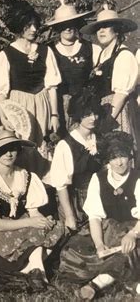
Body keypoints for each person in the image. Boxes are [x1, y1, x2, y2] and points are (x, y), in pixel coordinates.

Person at [0, 130, 65, 283]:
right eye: (3, 150)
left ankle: (34, 267)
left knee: (54, 228)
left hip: (22, 222)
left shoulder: (25, 176)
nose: (9, 154)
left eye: (13, 149)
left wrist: (42, 220)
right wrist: (32, 222)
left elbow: (33, 213)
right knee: (33, 232)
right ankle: (32, 268)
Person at [59, 132, 140, 300]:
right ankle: (124, 280)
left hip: (134, 229)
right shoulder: (98, 178)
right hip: (108, 229)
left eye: (123, 156)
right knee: (75, 250)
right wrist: (99, 244)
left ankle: (96, 284)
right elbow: (94, 216)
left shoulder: (137, 178)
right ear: (107, 160)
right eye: (114, 157)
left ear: (130, 156)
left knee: (130, 251)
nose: (119, 162)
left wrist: (132, 234)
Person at [0, 1, 61, 178]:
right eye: (28, 25)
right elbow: (0, 92)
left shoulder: (46, 51)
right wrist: (4, 115)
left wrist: (54, 115)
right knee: (21, 145)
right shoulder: (6, 54)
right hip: (19, 105)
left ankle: (43, 187)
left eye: (35, 25)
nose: (33, 29)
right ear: (19, 26)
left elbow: (51, 86)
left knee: (42, 146)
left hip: (42, 103)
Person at [80, 4, 139, 164]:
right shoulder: (102, 54)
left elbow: (121, 94)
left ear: (117, 30)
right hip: (103, 109)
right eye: (99, 28)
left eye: (106, 27)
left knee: (118, 152)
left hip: (117, 112)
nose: (101, 31)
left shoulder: (124, 55)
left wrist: (108, 120)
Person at [45, 0, 100, 135]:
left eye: (71, 24)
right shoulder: (48, 50)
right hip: (58, 107)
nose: (68, 28)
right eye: (63, 25)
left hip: (83, 107)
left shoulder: (91, 48)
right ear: (57, 27)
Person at [50, 90, 103, 230]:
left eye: (95, 113)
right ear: (78, 115)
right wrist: (69, 215)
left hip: (100, 196)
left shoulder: (100, 138)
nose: (93, 118)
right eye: (87, 114)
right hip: (78, 203)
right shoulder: (66, 145)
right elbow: (61, 186)